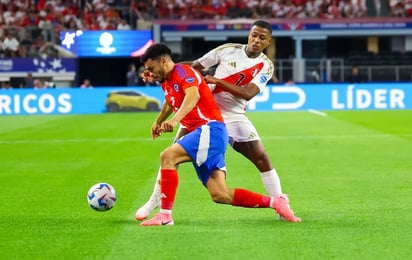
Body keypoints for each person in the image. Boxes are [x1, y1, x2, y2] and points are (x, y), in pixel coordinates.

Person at [138, 28, 301, 224]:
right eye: (254, 35)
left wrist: (217, 81)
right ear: (249, 35)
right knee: (218, 193)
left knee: (260, 157)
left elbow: (248, 93)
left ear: (268, 42)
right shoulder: (228, 50)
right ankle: (155, 201)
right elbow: (196, 66)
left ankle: (282, 204)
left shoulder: (266, 65)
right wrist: (157, 73)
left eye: (262, 38)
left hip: (228, 116)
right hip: (204, 112)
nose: (256, 40)